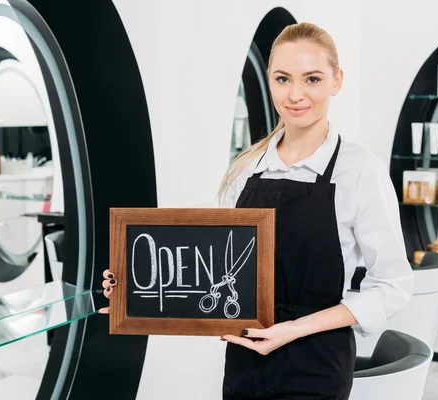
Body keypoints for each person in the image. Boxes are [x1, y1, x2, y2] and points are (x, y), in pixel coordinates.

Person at [101, 21, 413, 400]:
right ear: (269, 80)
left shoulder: (361, 170)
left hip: (317, 366)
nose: (295, 94)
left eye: (312, 79)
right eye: (283, 79)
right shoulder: (247, 167)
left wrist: (292, 329)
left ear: (336, 81)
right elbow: (216, 264)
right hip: (245, 361)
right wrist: (135, 290)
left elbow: (393, 287)